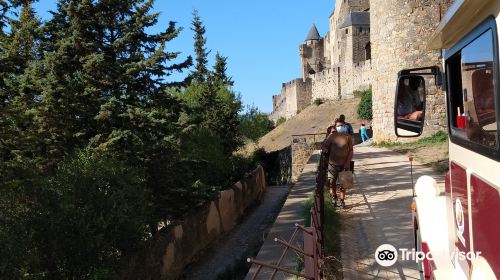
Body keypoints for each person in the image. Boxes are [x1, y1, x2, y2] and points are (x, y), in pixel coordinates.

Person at [321, 119, 353, 208]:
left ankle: (342, 200)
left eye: (341, 125)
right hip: (332, 164)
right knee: (332, 182)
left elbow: (351, 151)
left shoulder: (348, 137)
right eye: (338, 126)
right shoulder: (332, 136)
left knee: (344, 183)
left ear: (344, 126)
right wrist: (325, 149)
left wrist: (347, 162)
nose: (340, 127)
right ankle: (334, 197)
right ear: (335, 127)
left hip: (344, 164)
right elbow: (324, 145)